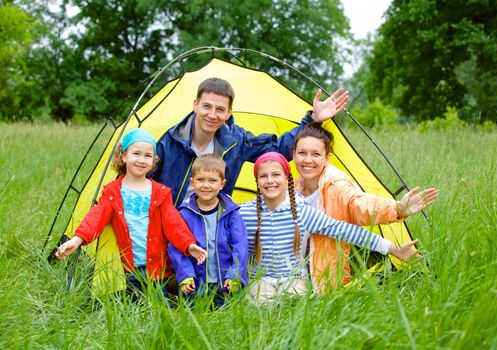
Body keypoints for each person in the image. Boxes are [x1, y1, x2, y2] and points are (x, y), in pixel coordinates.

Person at [239, 152, 420, 304]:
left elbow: (346, 231)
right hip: (260, 277)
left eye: (276, 175)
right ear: (257, 180)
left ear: (287, 179)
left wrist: (393, 249)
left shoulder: (302, 212)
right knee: (264, 304)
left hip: (293, 277)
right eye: (263, 176)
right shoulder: (244, 213)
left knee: (293, 302)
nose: (270, 181)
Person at [55, 128, 207, 299]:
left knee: (157, 307)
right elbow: (96, 217)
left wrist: (189, 244)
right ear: (124, 156)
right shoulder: (112, 192)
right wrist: (76, 240)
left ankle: (179, 294)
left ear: (153, 161)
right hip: (127, 269)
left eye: (148, 156)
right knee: (130, 307)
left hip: (156, 270)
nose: (142, 160)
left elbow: (174, 224)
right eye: (136, 154)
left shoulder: (160, 193)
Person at [151, 77, 349, 206]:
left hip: (211, 220)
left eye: (220, 109)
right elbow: (141, 181)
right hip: (170, 221)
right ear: (195, 106)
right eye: (206, 107)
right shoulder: (170, 141)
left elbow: (277, 150)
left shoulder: (236, 140)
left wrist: (313, 120)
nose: (212, 115)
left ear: (229, 112)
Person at [292, 123, 439, 291]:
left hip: (325, 276)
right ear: (294, 155)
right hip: (295, 270)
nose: (308, 160)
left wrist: (398, 209)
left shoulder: (336, 185)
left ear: (327, 158)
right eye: (302, 153)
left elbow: (362, 205)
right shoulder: (293, 188)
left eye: (316, 154)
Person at [168, 154, 248, 308]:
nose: (206, 185)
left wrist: (235, 276)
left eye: (212, 180)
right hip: (196, 283)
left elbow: (240, 246)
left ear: (222, 184)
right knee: (195, 321)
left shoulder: (231, 213)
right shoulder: (185, 214)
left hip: (225, 283)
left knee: (227, 321)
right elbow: (176, 247)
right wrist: (185, 275)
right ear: (192, 182)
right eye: (200, 180)